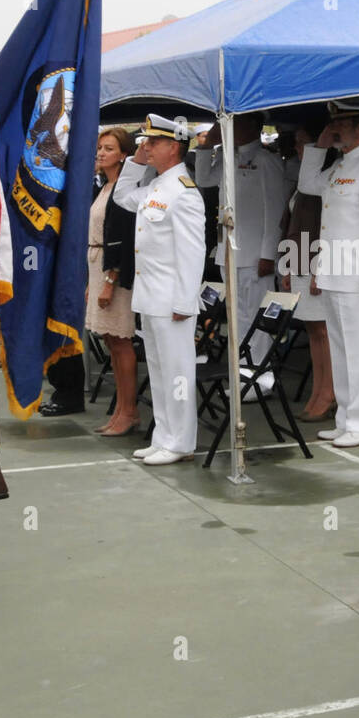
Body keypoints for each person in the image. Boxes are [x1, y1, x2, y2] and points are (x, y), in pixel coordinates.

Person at [297, 100, 359, 448]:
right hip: (334, 272)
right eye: (333, 122)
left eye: (342, 123)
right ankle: (345, 418)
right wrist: (319, 146)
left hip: (356, 276)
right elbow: (307, 184)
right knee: (340, 348)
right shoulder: (341, 165)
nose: (335, 128)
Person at [113, 114, 207, 465]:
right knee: (158, 368)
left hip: (172, 300)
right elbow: (121, 197)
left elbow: (192, 251)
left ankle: (180, 442)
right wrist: (136, 164)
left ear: (174, 146)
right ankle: (164, 436)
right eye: (145, 142)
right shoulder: (156, 186)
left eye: (152, 142)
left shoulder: (184, 192)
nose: (146, 146)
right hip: (151, 297)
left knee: (178, 371)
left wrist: (185, 301)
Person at [195, 113, 286, 386]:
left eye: (237, 124)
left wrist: (269, 254)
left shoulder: (266, 161)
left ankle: (261, 375)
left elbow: (275, 210)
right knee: (236, 317)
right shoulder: (227, 157)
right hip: (229, 252)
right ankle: (241, 372)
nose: (231, 130)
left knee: (256, 316)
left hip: (254, 254)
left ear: (252, 127)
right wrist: (204, 146)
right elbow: (203, 179)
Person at [281, 123, 336, 421]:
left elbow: (327, 228)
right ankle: (320, 388)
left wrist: (319, 270)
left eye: (304, 144)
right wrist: (289, 265)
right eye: (298, 144)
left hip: (317, 262)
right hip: (300, 258)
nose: (298, 150)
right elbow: (292, 226)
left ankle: (329, 391)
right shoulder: (304, 181)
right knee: (314, 330)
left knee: (324, 331)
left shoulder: (324, 181)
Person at [89, 127, 140, 436]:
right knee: (110, 341)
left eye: (108, 148)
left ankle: (129, 411)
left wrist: (110, 281)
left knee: (121, 342)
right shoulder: (105, 187)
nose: (100, 153)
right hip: (96, 266)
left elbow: (121, 239)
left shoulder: (122, 189)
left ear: (123, 155)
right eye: (99, 148)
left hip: (113, 272)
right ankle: (120, 409)